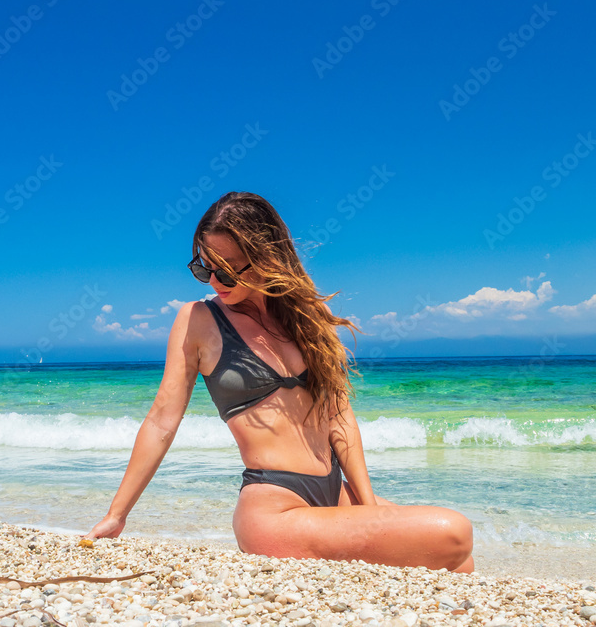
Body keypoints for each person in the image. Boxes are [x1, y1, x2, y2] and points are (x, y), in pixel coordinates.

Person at [85, 192, 474, 572]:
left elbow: (339, 418)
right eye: (204, 268)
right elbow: (161, 422)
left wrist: (366, 506)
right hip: (274, 508)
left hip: (333, 491)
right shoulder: (198, 320)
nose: (214, 281)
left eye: (227, 269)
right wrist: (116, 515)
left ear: (267, 257)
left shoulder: (309, 316)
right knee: (452, 532)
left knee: (460, 558)